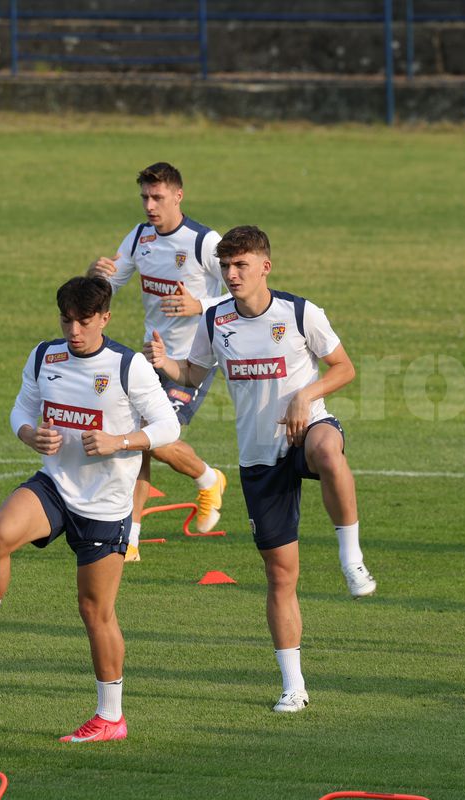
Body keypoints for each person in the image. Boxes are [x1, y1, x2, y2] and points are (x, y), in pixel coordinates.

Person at [146, 225, 377, 714]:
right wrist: (166, 364)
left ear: (264, 267)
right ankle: (294, 685)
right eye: (226, 266)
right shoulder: (215, 320)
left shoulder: (300, 313)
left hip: (306, 430)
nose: (232, 274)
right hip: (257, 456)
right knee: (280, 575)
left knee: (329, 452)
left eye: (241, 265)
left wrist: (305, 396)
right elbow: (194, 373)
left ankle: (351, 557)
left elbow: (343, 368)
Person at [0, 276, 181, 744]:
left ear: (105, 318)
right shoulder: (44, 356)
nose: (74, 331)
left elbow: (168, 426)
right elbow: (20, 412)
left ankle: (110, 718)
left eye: (84, 321)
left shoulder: (128, 366)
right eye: (66, 320)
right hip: (55, 486)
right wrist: (29, 435)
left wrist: (120, 441)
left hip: (106, 506)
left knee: (95, 612)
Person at [88, 162, 229, 560]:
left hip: (193, 361)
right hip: (149, 358)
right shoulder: (139, 237)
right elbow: (103, 290)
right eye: (145, 198)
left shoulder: (203, 241)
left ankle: (208, 478)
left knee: (154, 437)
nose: (150, 206)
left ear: (178, 196)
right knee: (139, 442)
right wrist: (94, 274)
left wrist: (200, 305)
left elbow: (246, 291)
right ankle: (130, 540)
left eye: (158, 197)